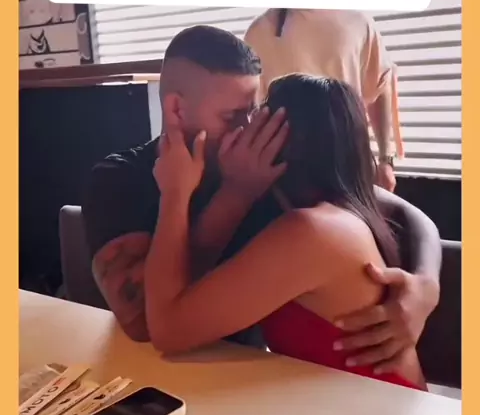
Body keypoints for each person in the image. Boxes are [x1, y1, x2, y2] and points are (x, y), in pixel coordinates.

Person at [83, 25, 441, 373]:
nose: (247, 127)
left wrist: (427, 284)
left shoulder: (265, 168)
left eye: (252, 111)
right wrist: (230, 196)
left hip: (258, 378)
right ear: (177, 110)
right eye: (231, 116)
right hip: (150, 373)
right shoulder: (118, 179)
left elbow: (396, 210)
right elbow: (144, 324)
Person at [143, 74, 426, 388]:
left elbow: (167, 331)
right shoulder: (335, 208)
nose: (244, 128)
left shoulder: (313, 232)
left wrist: (175, 193)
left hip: (381, 412)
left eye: (257, 117)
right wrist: (236, 190)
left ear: (278, 141)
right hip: (335, 403)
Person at [244, 8, 400, 193]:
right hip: (285, 167)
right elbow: (249, 110)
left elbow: (379, 86)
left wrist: (385, 160)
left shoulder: (358, 21)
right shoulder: (259, 32)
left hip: (348, 162)